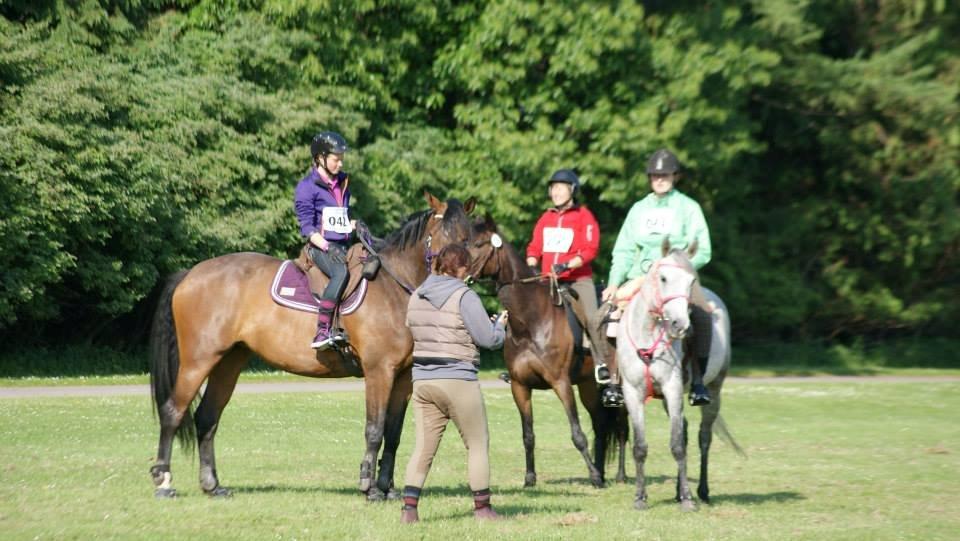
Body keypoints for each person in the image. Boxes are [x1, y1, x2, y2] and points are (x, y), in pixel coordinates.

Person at [401, 243, 507, 523]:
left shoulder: (417, 294)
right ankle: (483, 509)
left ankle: (409, 510)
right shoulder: (465, 295)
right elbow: (488, 340)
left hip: (423, 380)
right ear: (463, 268)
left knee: (423, 448)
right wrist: (500, 327)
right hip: (457, 378)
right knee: (477, 444)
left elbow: (413, 327)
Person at [601, 148, 714, 406]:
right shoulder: (638, 210)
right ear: (650, 178)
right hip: (642, 278)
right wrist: (614, 282)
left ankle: (698, 383)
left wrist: (679, 269)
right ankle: (614, 383)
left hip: (676, 278)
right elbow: (624, 250)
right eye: (655, 175)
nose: (660, 179)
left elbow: (703, 249)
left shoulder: (689, 208)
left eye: (665, 174)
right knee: (605, 316)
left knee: (703, 315)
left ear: (675, 176)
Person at [524, 169, 616, 404]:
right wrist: (532, 265)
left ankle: (602, 366)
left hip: (577, 280)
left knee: (593, 318)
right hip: (547, 280)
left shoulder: (584, 216)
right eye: (553, 188)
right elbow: (534, 247)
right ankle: (521, 363)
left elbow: (590, 249)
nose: (555, 192)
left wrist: (565, 265)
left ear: (572, 190)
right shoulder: (546, 218)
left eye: (560, 188)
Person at [294, 131, 357, 350]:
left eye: (341, 159)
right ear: (320, 158)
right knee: (341, 273)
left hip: (343, 245)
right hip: (319, 247)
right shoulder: (306, 187)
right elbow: (307, 227)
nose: (340, 163)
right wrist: (327, 246)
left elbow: (340, 219)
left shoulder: (343, 182)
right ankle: (322, 331)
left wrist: (353, 227)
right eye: (335, 159)